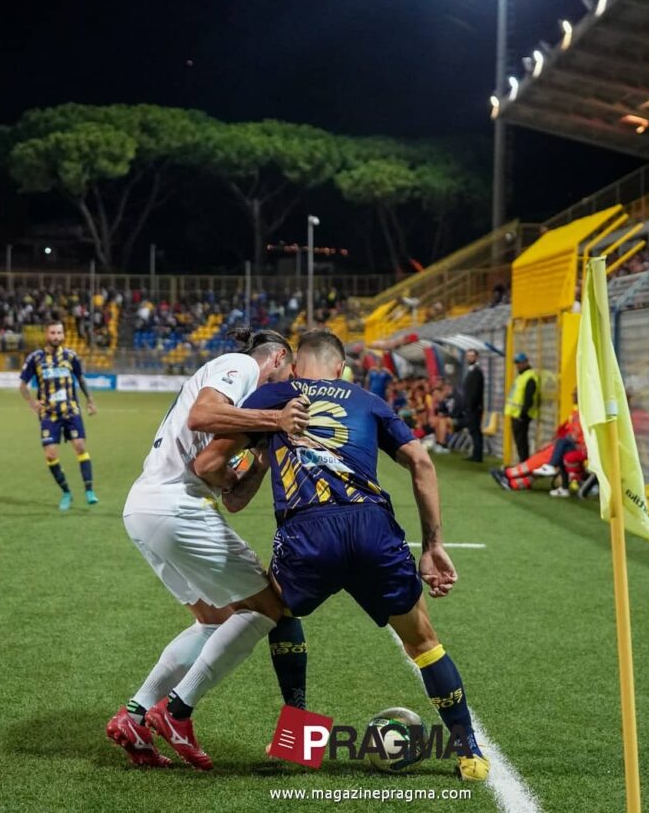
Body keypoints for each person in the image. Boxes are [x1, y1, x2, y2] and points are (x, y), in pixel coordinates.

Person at [193, 330, 490, 781]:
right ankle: (469, 752)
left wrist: (247, 472)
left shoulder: (273, 395)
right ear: (341, 368)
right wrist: (432, 547)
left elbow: (211, 465)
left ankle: (300, 739)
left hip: (307, 533)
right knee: (424, 642)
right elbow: (422, 462)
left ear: (296, 367)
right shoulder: (368, 399)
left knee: (278, 609)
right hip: (371, 526)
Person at [105, 329, 311, 771]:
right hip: (176, 507)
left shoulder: (238, 403)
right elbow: (202, 415)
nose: (283, 385)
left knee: (215, 620)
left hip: (145, 508)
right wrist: (276, 421)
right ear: (276, 357)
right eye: (288, 372)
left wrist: (262, 456)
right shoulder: (238, 367)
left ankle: (137, 714)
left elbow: (231, 496)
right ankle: (178, 712)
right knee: (268, 609)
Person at [19, 318, 98, 510]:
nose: (56, 336)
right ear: (47, 334)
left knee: (80, 446)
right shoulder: (35, 358)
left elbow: (80, 379)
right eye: (53, 333)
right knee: (50, 455)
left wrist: (89, 401)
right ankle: (66, 493)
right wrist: (32, 403)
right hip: (49, 414)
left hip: (71, 410)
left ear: (63, 335)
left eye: (59, 333)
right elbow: (22, 385)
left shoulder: (71, 357)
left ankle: (89, 490)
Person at [504, 352, 539, 462]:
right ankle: (522, 463)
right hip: (516, 414)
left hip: (522, 416)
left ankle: (524, 463)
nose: (517, 365)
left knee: (522, 441)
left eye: (519, 363)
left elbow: (529, 398)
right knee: (519, 441)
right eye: (517, 363)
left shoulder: (530, 377)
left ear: (526, 363)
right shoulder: (522, 376)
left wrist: (522, 415)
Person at [458, 349, 484, 462]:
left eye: (471, 356)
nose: (469, 358)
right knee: (473, 431)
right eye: (468, 356)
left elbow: (476, 391)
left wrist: (471, 406)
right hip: (470, 407)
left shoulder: (477, 372)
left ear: (476, 357)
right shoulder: (470, 371)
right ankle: (475, 453)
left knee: (476, 431)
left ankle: (478, 455)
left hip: (474, 408)